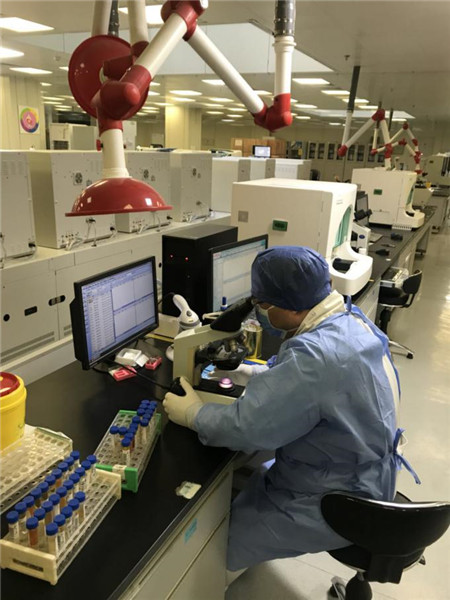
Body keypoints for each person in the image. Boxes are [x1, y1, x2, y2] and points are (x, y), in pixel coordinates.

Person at [163, 246, 414, 574]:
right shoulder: (350, 320)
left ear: (290, 305)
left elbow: (245, 428)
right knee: (246, 482)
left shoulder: (315, 357)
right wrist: (250, 373)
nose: (259, 312)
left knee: (214, 545)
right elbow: (315, 385)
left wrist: (192, 414)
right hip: (362, 473)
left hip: (339, 500)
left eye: (262, 304)